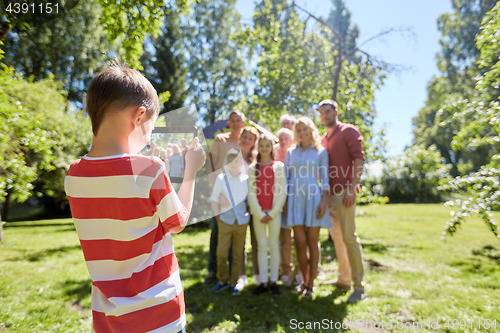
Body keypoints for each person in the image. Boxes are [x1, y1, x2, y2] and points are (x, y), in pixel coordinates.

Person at [64, 61, 205, 333]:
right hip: (159, 314)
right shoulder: (149, 170)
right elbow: (177, 222)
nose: (149, 139)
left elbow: (119, 191)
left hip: (108, 320)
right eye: (151, 129)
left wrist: (146, 165)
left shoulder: (73, 176)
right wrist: (191, 170)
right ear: (139, 116)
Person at [318, 99, 366, 303]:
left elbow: (359, 159)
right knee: (337, 237)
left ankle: (359, 286)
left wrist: (352, 188)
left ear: (336, 112)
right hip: (329, 196)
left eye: (327, 112)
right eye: (321, 113)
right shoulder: (323, 139)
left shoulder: (348, 131)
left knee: (349, 237)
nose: (324, 116)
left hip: (345, 194)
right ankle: (344, 279)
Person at [284, 117, 330, 298]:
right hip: (294, 198)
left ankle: (310, 284)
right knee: (300, 243)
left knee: (312, 242)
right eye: (299, 130)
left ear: (311, 129)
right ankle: (303, 280)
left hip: (314, 198)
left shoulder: (320, 152)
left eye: (305, 129)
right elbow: (287, 179)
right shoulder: (290, 152)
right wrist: (286, 202)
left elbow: (325, 180)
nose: (302, 133)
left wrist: (324, 202)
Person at [204, 111, 245, 286]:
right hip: (222, 193)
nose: (236, 124)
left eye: (239, 121)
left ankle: (236, 273)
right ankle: (213, 271)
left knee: (238, 233)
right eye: (233, 121)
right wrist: (217, 192)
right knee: (217, 230)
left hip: (240, 195)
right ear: (229, 122)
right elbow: (211, 165)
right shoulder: (220, 139)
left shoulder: (247, 140)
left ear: (243, 123)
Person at [248, 134, 287, 295]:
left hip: (274, 214)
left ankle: (274, 281)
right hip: (258, 214)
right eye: (261, 145)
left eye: (267, 145)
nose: (264, 148)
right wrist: (258, 212)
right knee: (261, 247)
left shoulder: (278, 166)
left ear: (272, 148)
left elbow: (282, 191)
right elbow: (251, 193)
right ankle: (263, 283)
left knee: (274, 245)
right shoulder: (252, 168)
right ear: (258, 147)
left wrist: (273, 212)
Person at [210, 150, 249, 296]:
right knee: (221, 253)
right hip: (225, 221)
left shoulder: (246, 179)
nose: (234, 164)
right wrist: (218, 218)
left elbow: (249, 201)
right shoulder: (221, 179)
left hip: (241, 222)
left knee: (238, 254)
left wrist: (248, 217)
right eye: (230, 161)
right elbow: (214, 199)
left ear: (241, 163)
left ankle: (234, 283)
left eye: (237, 161)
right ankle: (223, 281)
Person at [274, 128, 296, 286]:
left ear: (291, 140)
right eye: (280, 138)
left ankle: (303, 270)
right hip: (278, 201)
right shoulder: (273, 154)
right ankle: (286, 269)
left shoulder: (295, 154)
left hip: (295, 200)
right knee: (284, 238)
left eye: (286, 138)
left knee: (302, 238)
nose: (282, 141)